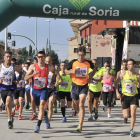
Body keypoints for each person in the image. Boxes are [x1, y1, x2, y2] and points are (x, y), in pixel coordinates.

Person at [66, 46, 95, 133]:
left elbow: (95, 69)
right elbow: (65, 71)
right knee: (77, 105)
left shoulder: (88, 63)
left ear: (85, 55)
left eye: (82, 55)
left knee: (82, 103)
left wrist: (90, 77)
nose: (80, 57)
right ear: (77, 55)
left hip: (84, 85)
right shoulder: (73, 62)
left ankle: (80, 125)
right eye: (79, 55)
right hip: (75, 85)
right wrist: (72, 71)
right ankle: (80, 115)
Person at [24, 51, 55, 133]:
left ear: (44, 58)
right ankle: (45, 115)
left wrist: (54, 81)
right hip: (35, 90)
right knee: (38, 107)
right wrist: (32, 74)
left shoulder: (48, 67)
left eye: (42, 57)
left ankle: (38, 126)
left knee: (42, 106)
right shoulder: (33, 66)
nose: (40, 58)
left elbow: (55, 72)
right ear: (37, 57)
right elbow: (25, 78)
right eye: (39, 57)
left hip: (44, 89)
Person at [115, 59, 139, 137]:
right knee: (125, 115)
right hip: (125, 96)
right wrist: (117, 92)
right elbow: (116, 83)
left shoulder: (137, 75)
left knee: (133, 113)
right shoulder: (123, 74)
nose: (128, 66)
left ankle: (131, 129)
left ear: (134, 65)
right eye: (127, 64)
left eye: (130, 64)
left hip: (134, 96)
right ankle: (126, 116)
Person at [0, 51, 21, 129]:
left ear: (11, 57)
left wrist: (17, 79)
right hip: (2, 88)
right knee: (6, 105)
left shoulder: (13, 66)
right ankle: (11, 118)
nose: (8, 58)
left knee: (8, 103)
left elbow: (20, 71)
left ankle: (9, 121)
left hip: (11, 88)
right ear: (4, 57)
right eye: (7, 57)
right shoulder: (1, 66)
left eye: (10, 57)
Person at [44, 56, 62, 129]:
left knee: (50, 104)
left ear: (51, 62)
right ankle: (45, 115)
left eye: (49, 61)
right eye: (47, 61)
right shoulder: (43, 70)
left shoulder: (54, 70)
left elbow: (61, 80)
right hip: (44, 89)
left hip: (52, 89)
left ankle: (48, 122)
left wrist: (57, 83)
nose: (48, 63)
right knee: (44, 106)